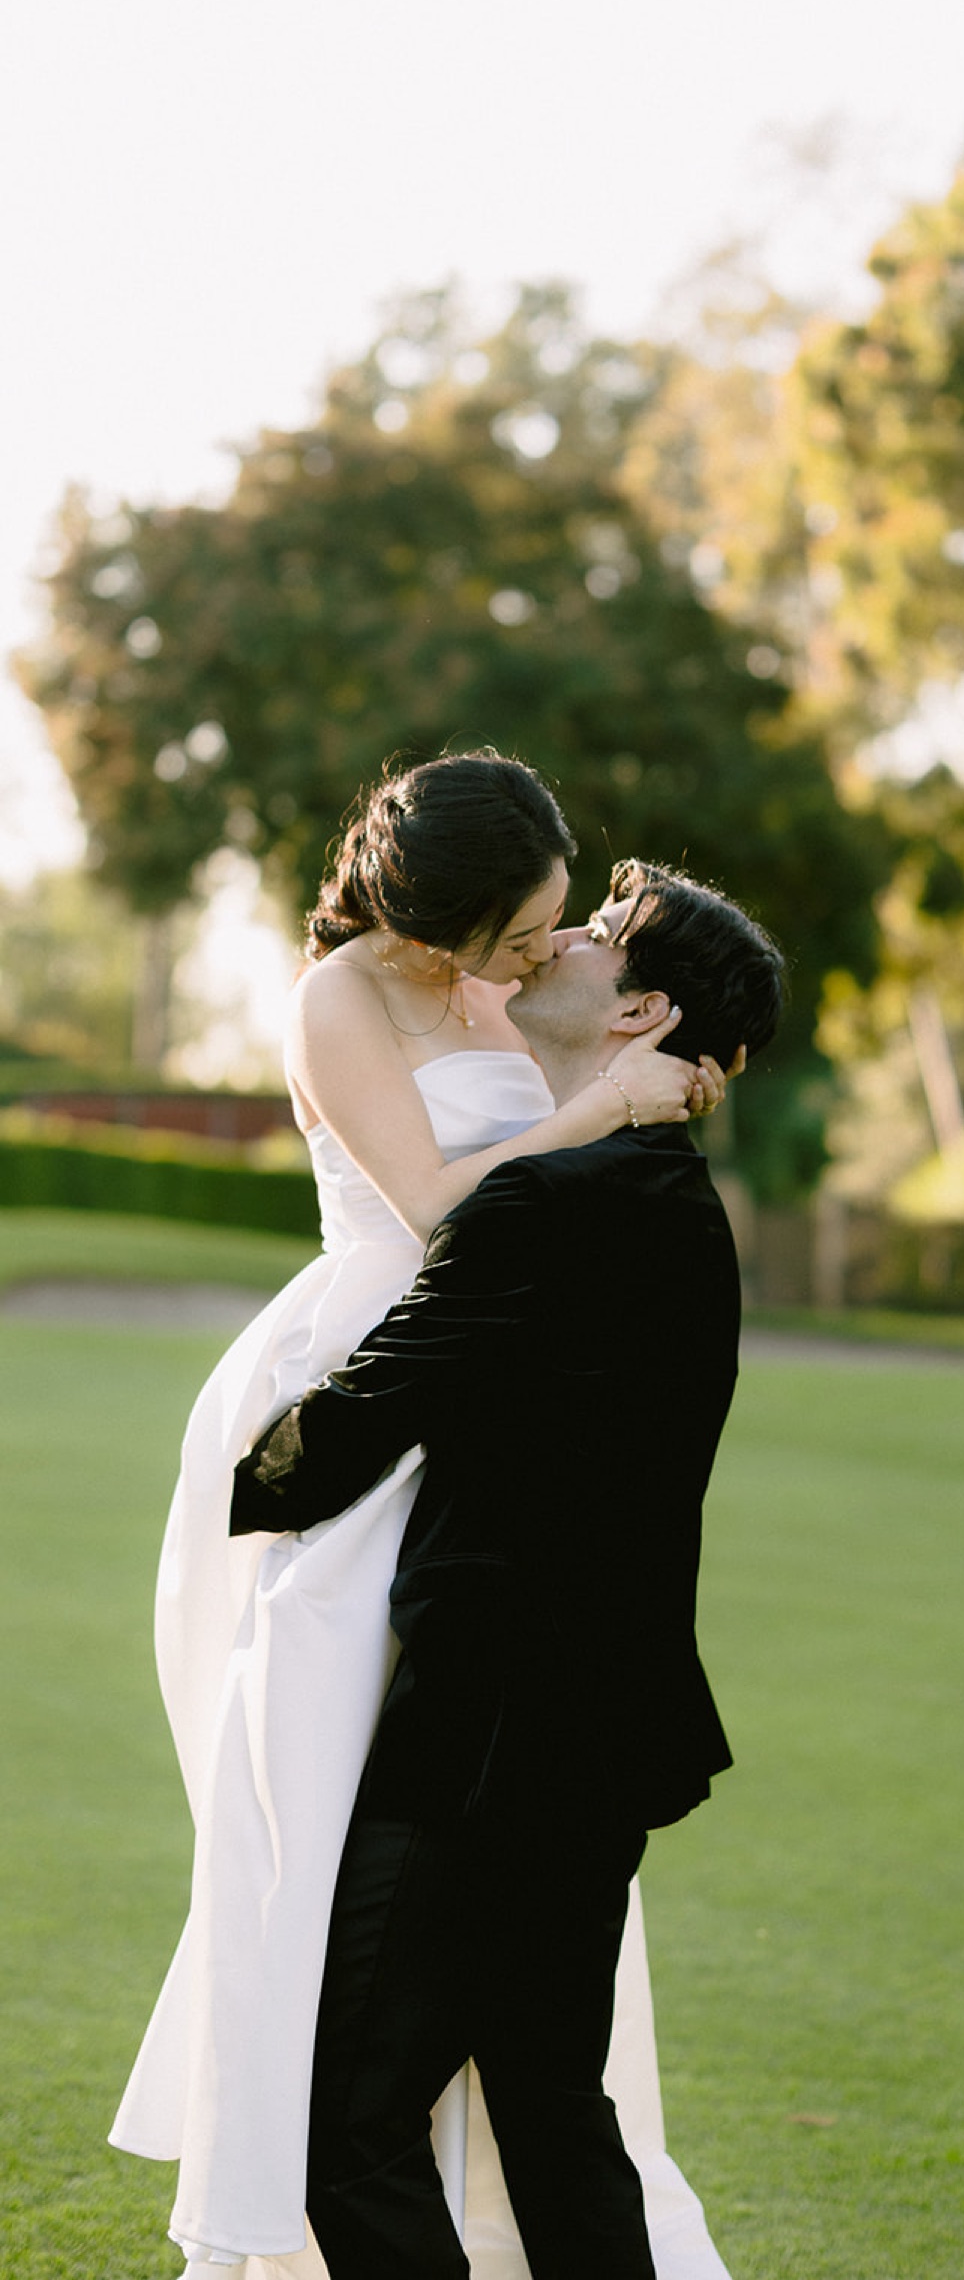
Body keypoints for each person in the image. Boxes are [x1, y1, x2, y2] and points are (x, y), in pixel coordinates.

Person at [111, 756, 734, 2279]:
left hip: (484, 1414)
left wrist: (635, 1101)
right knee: (332, 1795)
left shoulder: (515, 1001)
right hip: (371, 1373)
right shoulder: (342, 996)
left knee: (487, 1918)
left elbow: (561, 1189)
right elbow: (447, 1208)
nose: (548, 947)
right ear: (446, 917)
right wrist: (610, 1106)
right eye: (524, 928)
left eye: (559, 923)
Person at [230, 862, 785, 2280]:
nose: (563, 944)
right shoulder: (680, 1204)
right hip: (608, 1739)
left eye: (600, 936)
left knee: (346, 2127)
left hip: (484, 1747)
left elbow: (337, 1443)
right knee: (549, 2109)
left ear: (640, 1013)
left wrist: (233, 1463)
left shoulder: (543, 1203)